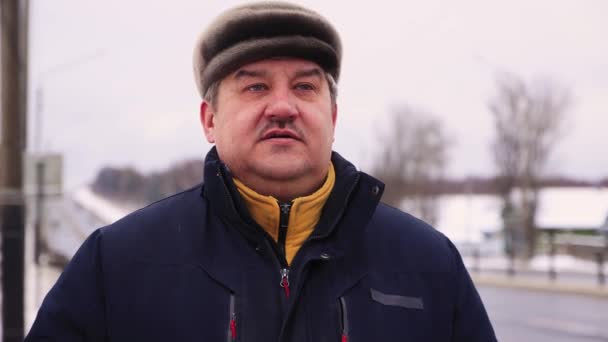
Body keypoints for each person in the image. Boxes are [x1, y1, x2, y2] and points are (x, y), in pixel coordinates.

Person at [26, 2, 497, 341]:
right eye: (254, 87)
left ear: (332, 117)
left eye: (305, 87)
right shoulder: (116, 265)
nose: (282, 107)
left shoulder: (428, 264)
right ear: (209, 119)